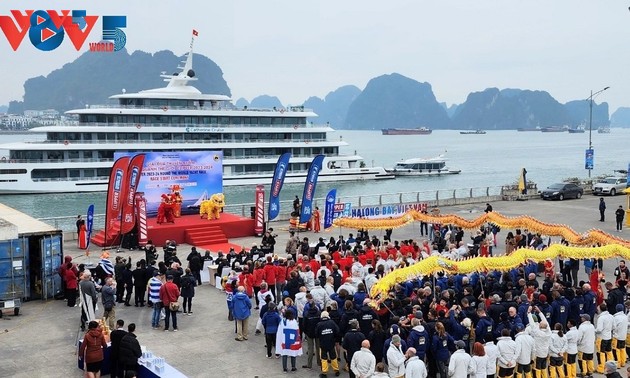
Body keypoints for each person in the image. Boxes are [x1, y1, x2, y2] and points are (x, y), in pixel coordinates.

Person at [317, 310, 341, 377]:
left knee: (324, 358)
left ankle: (324, 372)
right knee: (333, 357)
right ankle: (336, 370)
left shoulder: (319, 324)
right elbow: (337, 331)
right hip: (331, 343)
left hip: (323, 343)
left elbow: (316, 334)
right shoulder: (332, 323)